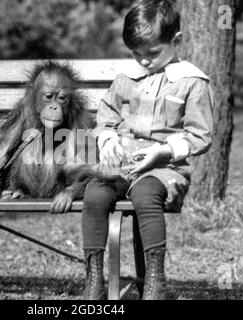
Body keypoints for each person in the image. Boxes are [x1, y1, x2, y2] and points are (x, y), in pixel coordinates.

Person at [83, 0, 214, 300]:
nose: (143, 61)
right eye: (136, 54)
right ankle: (94, 281)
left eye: (152, 53)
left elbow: (200, 136)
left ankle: (154, 282)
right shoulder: (126, 79)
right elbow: (106, 118)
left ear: (176, 41)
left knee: (145, 196)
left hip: (164, 168)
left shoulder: (192, 82)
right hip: (123, 164)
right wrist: (107, 140)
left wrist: (163, 151)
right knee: (94, 194)